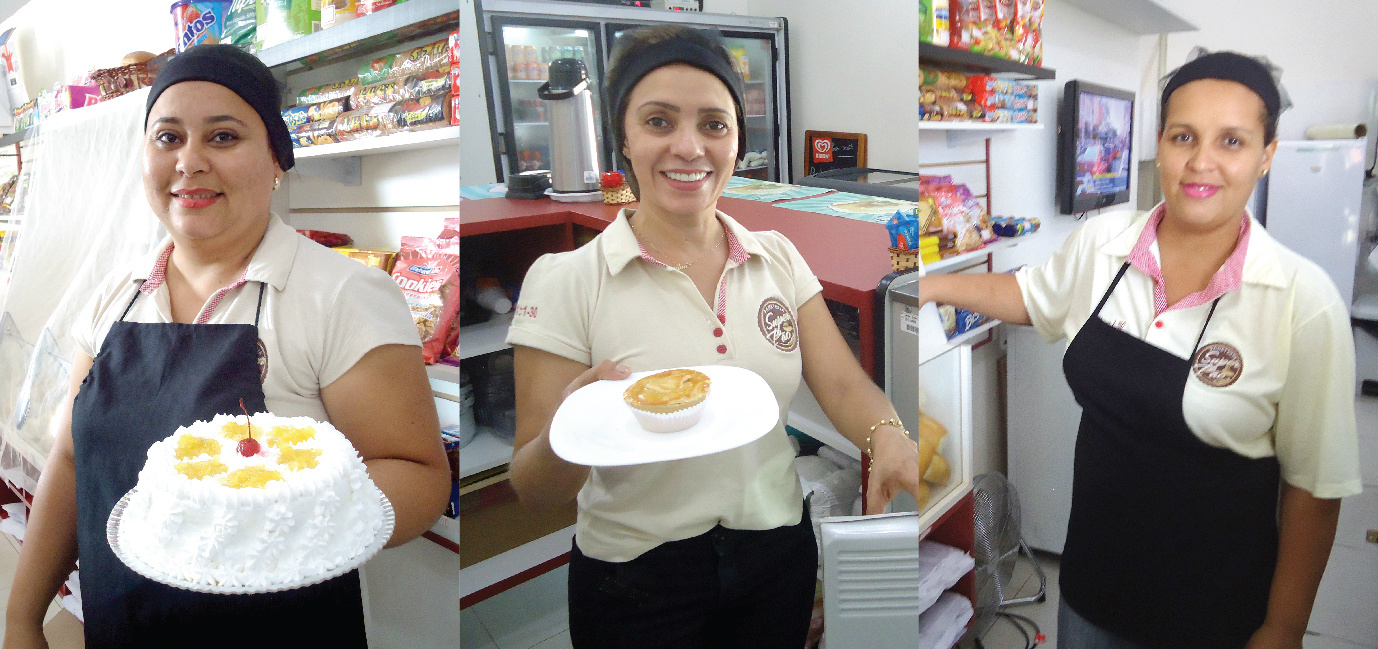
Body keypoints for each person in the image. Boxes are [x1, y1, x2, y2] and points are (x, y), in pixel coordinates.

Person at [3, 45, 450, 649]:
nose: (189, 162)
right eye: (167, 138)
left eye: (223, 137)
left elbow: (420, 477)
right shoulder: (114, 296)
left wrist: (289, 520)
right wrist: (21, 617)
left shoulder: (341, 293)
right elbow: (73, 459)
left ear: (275, 160)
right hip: (121, 624)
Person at [919, 50, 1361, 649]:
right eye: (1184, 136)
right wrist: (929, 283)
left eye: (1231, 141)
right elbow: (1030, 295)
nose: (1201, 161)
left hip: (1217, 611)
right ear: (1161, 142)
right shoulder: (1105, 241)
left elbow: (1314, 489)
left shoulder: (1302, 303)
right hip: (1093, 587)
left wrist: (1282, 629)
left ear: (1267, 156)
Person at [505, 25, 923, 649]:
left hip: (776, 553)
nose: (688, 147)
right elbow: (533, 487)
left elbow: (839, 383)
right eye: (658, 121)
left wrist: (887, 434)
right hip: (635, 578)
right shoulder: (567, 279)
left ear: (737, 143)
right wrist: (574, 426)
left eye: (713, 124)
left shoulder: (777, 257)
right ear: (623, 137)